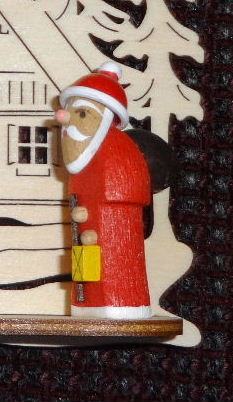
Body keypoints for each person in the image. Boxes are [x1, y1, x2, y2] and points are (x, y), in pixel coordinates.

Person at [55, 61, 152, 319]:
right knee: (87, 274)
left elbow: (124, 191)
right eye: (68, 111)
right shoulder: (82, 159)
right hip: (87, 237)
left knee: (107, 270)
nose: (64, 118)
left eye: (81, 114)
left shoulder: (118, 149)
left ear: (106, 118)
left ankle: (121, 305)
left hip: (110, 233)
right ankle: (87, 305)